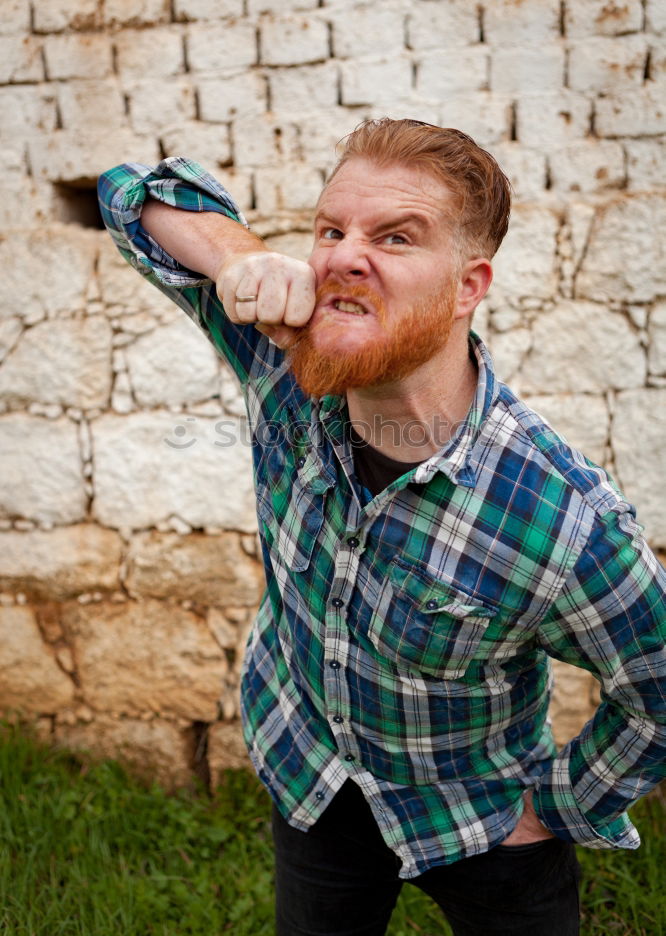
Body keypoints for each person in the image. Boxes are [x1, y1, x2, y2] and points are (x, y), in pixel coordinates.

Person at [98, 118, 665, 936]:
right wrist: (237, 257)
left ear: (470, 285)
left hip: (481, 821)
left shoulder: (561, 519)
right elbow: (132, 193)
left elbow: (656, 685)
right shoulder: (284, 362)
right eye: (331, 229)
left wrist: (556, 809)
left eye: (396, 237)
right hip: (310, 773)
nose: (342, 256)